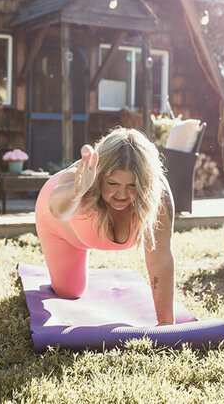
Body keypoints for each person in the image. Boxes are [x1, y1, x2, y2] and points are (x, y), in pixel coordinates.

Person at [35, 127, 175, 325]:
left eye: (132, 185)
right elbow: (59, 213)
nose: (122, 195)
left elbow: (160, 258)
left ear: (145, 184)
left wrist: (166, 323)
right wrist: (77, 191)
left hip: (82, 225)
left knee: (73, 290)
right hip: (56, 224)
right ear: (100, 176)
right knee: (69, 292)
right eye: (112, 183)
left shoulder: (157, 195)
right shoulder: (81, 178)